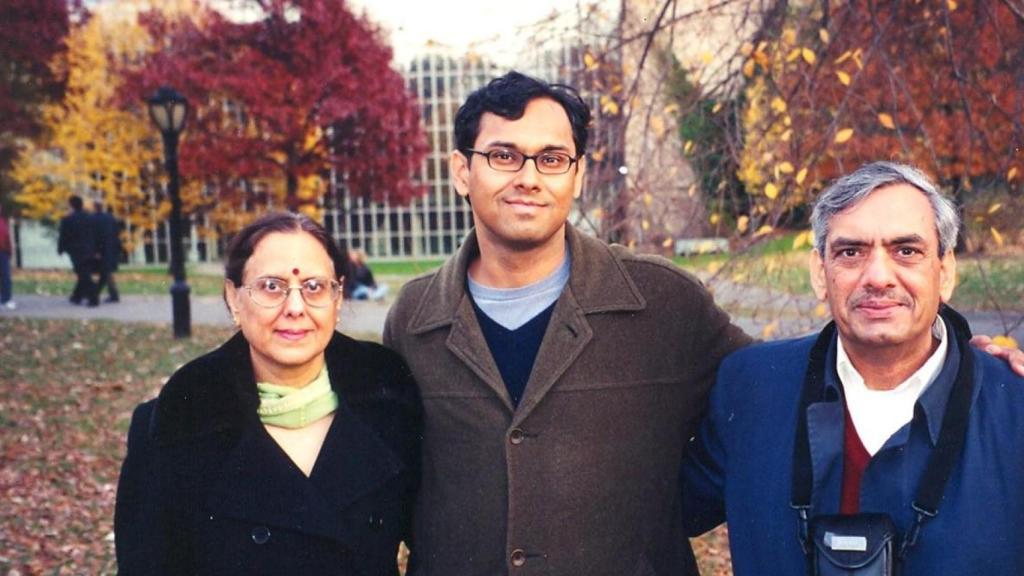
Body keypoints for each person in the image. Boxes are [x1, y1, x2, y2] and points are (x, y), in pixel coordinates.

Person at [383, 71, 751, 575]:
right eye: (503, 156)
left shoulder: (662, 301)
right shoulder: (414, 317)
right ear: (461, 172)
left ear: (576, 176)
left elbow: (765, 403)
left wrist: (678, 505)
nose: (528, 178)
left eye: (552, 159)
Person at [680, 162, 1024, 574]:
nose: (878, 276)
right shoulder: (752, 390)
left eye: (906, 251)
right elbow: (655, 510)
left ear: (945, 272)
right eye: (851, 252)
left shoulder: (1013, 407)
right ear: (819, 273)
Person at [115, 212, 421, 575]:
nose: (295, 308)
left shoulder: (388, 404)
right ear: (234, 297)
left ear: (337, 298)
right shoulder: (174, 426)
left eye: (314, 287)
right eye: (271, 287)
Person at [57, 195, 98, 306]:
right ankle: (77, 296)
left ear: (71, 205)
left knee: (83, 274)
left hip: (76, 251)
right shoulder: (90, 218)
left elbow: (63, 236)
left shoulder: (68, 220)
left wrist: (60, 249)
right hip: (90, 250)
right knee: (83, 273)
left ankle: (93, 296)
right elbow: (95, 234)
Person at [93, 201, 122, 303]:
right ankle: (111, 294)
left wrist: (96, 251)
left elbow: (96, 237)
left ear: (95, 207)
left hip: (103, 250)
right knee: (106, 273)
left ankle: (97, 293)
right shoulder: (110, 218)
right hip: (112, 249)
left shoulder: (94, 219)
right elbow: (117, 233)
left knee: (106, 273)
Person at [0, 205, 14, 310]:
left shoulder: (2, 221)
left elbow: (7, 237)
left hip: (3, 252)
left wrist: (9, 251)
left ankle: (6, 299)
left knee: (6, 277)